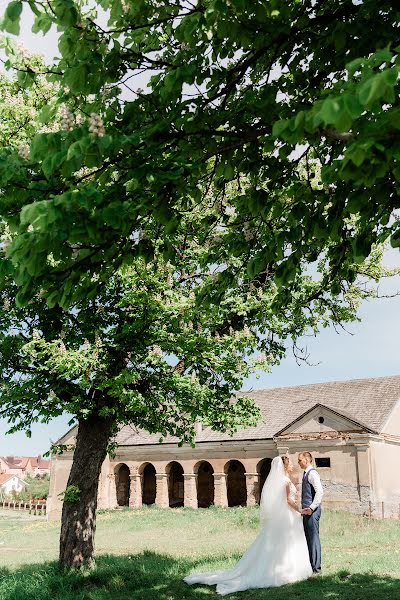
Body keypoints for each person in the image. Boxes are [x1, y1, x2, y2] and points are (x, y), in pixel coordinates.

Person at [183, 456, 312, 595]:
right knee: (285, 542)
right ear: (285, 466)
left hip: (283, 517)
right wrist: (300, 510)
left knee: (282, 542)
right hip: (287, 516)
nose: (293, 465)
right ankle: (285, 569)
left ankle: (282, 566)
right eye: (290, 463)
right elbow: (288, 500)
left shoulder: (279, 481)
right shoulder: (285, 481)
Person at [298, 451, 323, 574]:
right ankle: (311, 566)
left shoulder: (312, 474)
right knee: (309, 538)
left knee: (313, 539)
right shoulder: (306, 473)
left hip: (312, 512)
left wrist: (312, 508)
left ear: (307, 460)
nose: (298, 463)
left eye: (300, 460)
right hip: (307, 512)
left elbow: (320, 492)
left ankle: (316, 569)